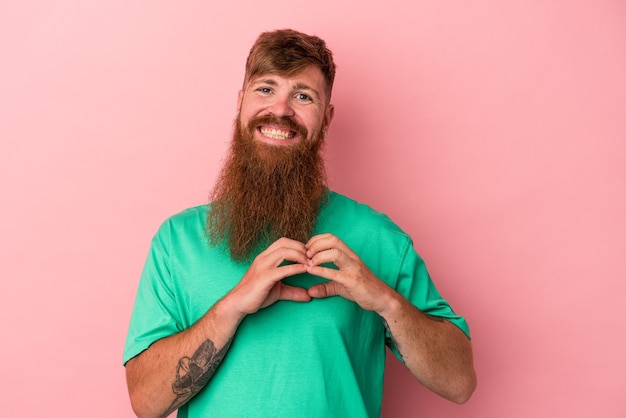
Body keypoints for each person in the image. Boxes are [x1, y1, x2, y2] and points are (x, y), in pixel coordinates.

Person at [123, 28, 476, 418]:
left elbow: (459, 383)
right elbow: (145, 403)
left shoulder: (379, 239)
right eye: (265, 89)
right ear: (240, 103)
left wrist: (383, 299)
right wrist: (233, 306)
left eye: (303, 96)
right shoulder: (178, 241)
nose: (281, 110)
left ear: (326, 118)